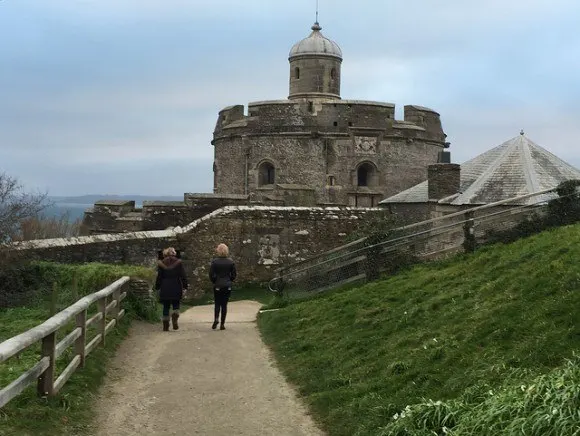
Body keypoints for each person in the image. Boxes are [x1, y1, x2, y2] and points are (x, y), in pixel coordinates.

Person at [155, 247, 188, 331]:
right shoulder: (179, 262)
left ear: (165, 254)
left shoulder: (161, 263)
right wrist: (185, 286)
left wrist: (157, 287)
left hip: (165, 285)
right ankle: (175, 316)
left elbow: (159, 277)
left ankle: (165, 325)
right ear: (174, 253)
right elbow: (183, 275)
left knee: (166, 306)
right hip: (176, 285)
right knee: (176, 304)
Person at [209, 243, 237, 330]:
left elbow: (211, 274)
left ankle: (216, 319)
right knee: (224, 304)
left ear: (218, 250)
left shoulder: (214, 262)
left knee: (217, 303)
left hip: (218, 284)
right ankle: (222, 324)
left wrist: (215, 281)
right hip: (227, 284)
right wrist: (230, 280)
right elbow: (234, 274)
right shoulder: (231, 262)